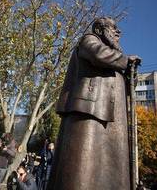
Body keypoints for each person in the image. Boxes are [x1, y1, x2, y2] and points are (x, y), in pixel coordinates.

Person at [48, 17, 141, 190]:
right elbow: (97, 54)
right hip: (90, 111)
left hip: (113, 119)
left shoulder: (116, 58)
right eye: (113, 27)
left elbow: (127, 87)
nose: (118, 32)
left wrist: (131, 73)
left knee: (112, 169)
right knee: (83, 167)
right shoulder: (89, 40)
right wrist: (126, 61)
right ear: (99, 29)